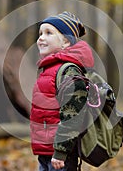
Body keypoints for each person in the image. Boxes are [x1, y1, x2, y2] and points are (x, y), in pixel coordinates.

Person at [30, 11, 94, 170]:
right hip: (45, 151)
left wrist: (60, 151)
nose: (41, 38)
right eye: (40, 33)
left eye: (48, 33)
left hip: (61, 155)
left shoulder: (68, 71)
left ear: (65, 41)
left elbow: (73, 114)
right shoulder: (49, 69)